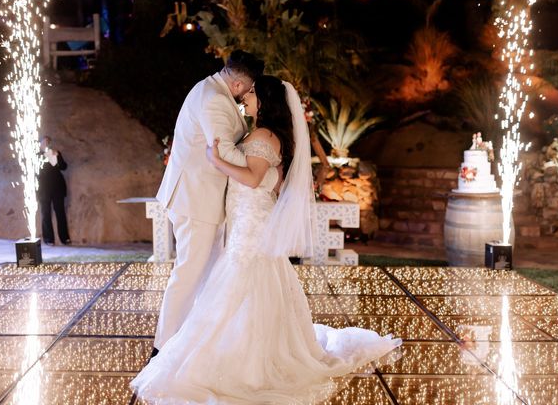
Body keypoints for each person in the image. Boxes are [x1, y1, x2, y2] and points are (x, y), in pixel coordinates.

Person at [130, 76, 401, 403]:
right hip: (249, 216)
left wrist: (217, 161)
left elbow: (254, 176)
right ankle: (250, 347)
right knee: (252, 279)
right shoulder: (264, 135)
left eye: (254, 93)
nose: (248, 97)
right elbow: (271, 180)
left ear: (267, 101)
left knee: (242, 278)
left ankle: (248, 359)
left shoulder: (263, 136)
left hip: (251, 222)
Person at [151, 50, 265, 359]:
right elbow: (223, 151)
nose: (250, 94)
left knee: (207, 272)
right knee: (189, 272)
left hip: (202, 199)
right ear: (240, 84)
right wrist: (260, 164)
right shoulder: (214, 99)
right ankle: (162, 347)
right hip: (195, 200)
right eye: (251, 88)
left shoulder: (211, 89)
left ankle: (195, 339)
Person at [38, 136, 71, 245]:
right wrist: (46, 157)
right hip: (43, 189)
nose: (46, 144)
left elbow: (63, 167)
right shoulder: (36, 156)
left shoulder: (55, 153)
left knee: (60, 213)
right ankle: (48, 239)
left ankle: (64, 238)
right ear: (40, 144)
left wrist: (57, 157)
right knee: (46, 214)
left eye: (48, 142)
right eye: (44, 142)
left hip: (57, 188)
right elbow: (37, 171)